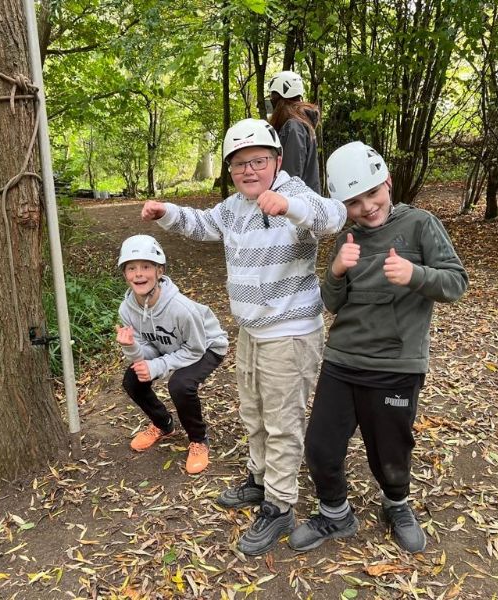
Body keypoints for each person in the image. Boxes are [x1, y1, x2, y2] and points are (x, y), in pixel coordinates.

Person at [141, 119, 346, 555]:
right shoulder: (235, 205)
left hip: (290, 333)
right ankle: (259, 478)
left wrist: (288, 206)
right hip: (251, 330)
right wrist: (166, 213)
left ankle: (280, 504)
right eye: (239, 164)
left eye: (258, 161)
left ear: (277, 161)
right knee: (253, 412)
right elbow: (203, 224)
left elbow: (334, 216)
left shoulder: (296, 194)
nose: (248, 170)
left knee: (282, 422)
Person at [288, 141, 468, 555]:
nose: (367, 207)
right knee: (320, 446)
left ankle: (396, 504)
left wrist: (415, 274)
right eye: (353, 201)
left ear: (387, 182)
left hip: (396, 363)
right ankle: (335, 513)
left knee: (390, 448)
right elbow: (333, 303)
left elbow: (456, 282)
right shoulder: (347, 238)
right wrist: (336, 271)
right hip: (342, 359)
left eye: (372, 193)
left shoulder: (420, 224)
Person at [116, 234, 228, 475]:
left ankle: (198, 439)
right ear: (124, 274)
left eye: (146, 267)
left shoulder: (181, 309)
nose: (139, 274)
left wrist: (157, 366)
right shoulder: (127, 309)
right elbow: (148, 347)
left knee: (180, 384)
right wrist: (131, 348)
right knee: (132, 379)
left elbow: (195, 349)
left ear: (160, 271)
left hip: (206, 346)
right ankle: (163, 424)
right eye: (131, 268)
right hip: (170, 347)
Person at [268, 70, 321, 193]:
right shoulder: (300, 123)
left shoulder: (294, 127)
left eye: (272, 95)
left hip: (296, 201)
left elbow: (290, 177)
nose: (271, 100)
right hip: (302, 198)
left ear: (278, 97)